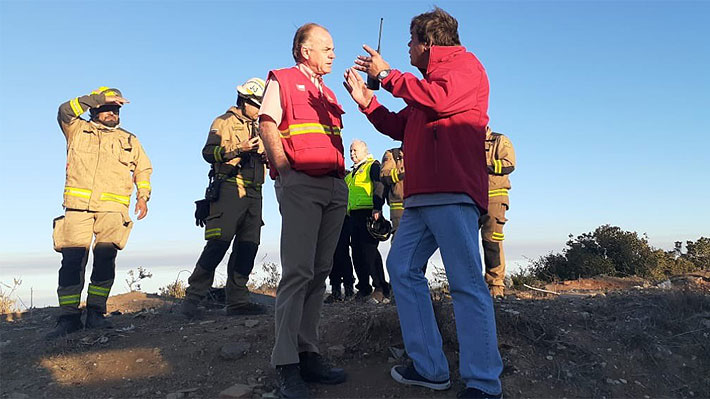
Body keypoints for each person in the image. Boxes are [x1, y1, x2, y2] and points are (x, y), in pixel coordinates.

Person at [343, 7, 504, 399]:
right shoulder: (424, 84)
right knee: (401, 268)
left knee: (466, 282)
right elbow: (401, 125)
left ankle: (484, 381)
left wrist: (386, 75)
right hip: (420, 198)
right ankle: (431, 367)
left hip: (452, 191)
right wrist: (367, 101)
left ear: (428, 41)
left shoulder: (465, 66)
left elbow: (442, 100)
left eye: (411, 41)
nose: (407, 48)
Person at [258, 23, 348, 398]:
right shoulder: (282, 80)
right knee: (298, 272)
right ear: (303, 50)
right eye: (325, 47)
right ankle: (286, 364)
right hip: (301, 184)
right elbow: (267, 124)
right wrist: (284, 172)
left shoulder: (326, 92)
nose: (332, 53)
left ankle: (308, 352)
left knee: (320, 271)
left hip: (333, 185)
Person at [48, 87, 152, 339]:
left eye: (115, 109)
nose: (112, 113)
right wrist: (97, 98)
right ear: (94, 109)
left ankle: (96, 313)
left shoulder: (129, 139)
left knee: (105, 260)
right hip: (77, 208)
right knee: (72, 261)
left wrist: (143, 196)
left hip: (113, 210)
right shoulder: (76, 129)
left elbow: (144, 169)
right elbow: (64, 110)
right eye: (107, 108)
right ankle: (69, 317)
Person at [181, 78, 269, 318]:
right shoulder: (224, 122)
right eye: (256, 104)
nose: (259, 109)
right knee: (218, 244)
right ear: (243, 101)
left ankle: (238, 300)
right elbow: (209, 153)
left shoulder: (262, 125)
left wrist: (265, 153)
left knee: (248, 247)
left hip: (255, 193)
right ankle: (193, 299)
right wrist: (239, 148)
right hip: (230, 187)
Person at [345, 140, 389, 302]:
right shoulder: (351, 174)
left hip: (368, 213)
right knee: (356, 253)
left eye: (355, 150)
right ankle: (363, 288)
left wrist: (377, 208)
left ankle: (381, 289)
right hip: (353, 216)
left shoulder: (372, 166)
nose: (352, 154)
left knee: (369, 252)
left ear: (365, 150)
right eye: (350, 151)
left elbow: (379, 186)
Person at [481, 126, 516, 298]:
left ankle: (495, 286)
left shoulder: (500, 140)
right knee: (465, 244)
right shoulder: (465, 140)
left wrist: (483, 165)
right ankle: (471, 286)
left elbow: (509, 164)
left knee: (492, 242)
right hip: (470, 198)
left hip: (495, 197)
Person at [324, 214, 355, 303]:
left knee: (342, 252)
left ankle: (348, 289)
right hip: (329, 217)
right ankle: (336, 289)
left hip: (343, 216)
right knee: (333, 253)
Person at [380, 147, 405, 237]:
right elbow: (384, 175)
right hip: (399, 206)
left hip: (422, 202)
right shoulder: (392, 154)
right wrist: (402, 172)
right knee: (400, 239)